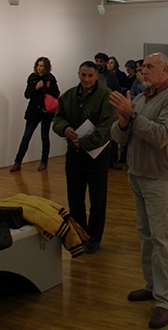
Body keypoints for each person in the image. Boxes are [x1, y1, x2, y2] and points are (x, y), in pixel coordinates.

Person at [109, 52, 168, 330]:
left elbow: (160, 136)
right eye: (143, 66)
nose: (143, 70)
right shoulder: (142, 98)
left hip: (160, 178)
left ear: (165, 70)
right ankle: (152, 286)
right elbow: (120, 138)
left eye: (150, 67)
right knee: (145, 236)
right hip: (137, 175)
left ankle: (166, 301)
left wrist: (132, 116)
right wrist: (123, 121)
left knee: (161, 239)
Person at [52, 61, 115, 254]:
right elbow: (58, 119)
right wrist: (64, 128)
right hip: (74, 156)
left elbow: (107, 126)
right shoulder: (68, 96)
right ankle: (80, 233)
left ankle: (94, 237)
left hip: (97, 156)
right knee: (75, 198)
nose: (86, 79)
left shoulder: (106, 96)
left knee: (97, 200)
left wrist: (85, 143)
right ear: (78, 75)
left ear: (97, 76)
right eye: (83, 75)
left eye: (90, 76)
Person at [10, 57, 60, 172]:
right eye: (38, 65)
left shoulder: (50, 79)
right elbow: (27, 94)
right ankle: (17, 162)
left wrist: (45, 88)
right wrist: (36, 88)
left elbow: (56, 93)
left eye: (41, 66)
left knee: (44, 137)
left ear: (46, 67)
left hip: (46, 112)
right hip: (33, 111)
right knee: (26, 136)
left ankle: (44, 161)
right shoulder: (32, 78)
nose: (39, 68)